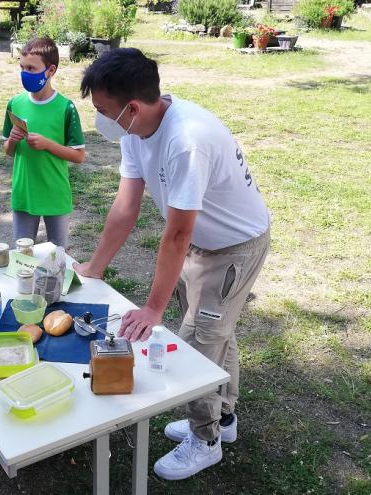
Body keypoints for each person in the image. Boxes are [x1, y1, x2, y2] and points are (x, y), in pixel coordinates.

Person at [73, 48, 271, 481]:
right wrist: (95, 266)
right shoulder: (134, 130)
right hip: (201, 243)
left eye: (104, 110)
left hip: (233, 248)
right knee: (217, 333)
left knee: (197, 344)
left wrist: (153, 310)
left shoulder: (186, 141)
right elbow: (126, 207)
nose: (100, 120)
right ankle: (225, 419)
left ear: (132, 107)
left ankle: (206, 440)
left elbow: (176, 235)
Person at [2, 36, 86, 248]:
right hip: (23, 194)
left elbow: (78, 156)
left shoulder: (66, 108)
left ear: (51, 70)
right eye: (22, 67)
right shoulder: (15, 104)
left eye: (31, 68)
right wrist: (12, 141)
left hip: (54, 194)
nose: (25, 73)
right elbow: (8, 151)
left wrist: (48, 144)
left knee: (57, 257)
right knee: (22, 255)